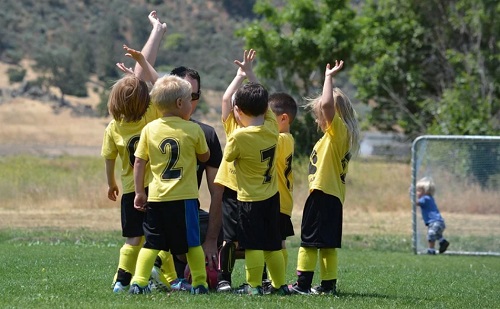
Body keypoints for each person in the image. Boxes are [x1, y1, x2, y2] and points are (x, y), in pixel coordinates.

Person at [133, 12, 223, 286]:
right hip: (179, 202)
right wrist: (156, 34)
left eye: (196, 96)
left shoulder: (165, 127)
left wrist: (211, 240)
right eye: (188, 96)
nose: (192, 102)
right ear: (179, 101)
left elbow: (217, 192)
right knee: (180, 239)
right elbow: (140, 80)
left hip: (161, 201)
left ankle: (141, 278)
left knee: (206, 230)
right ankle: (187, 277)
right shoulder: (184, 129)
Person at [125, 47, 210, 294]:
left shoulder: (150, 130)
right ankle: (200, 283)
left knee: (151, 244)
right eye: (190, 100)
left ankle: (138, 283)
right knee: (192, 243)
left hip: (157, 198)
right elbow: (204, 156)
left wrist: (140, 192)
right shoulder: (193, 130)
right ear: (181, 103)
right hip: (184, 199)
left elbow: (139, 162)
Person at [216, 49, 288, 296]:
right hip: (271, 196)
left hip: (249, 199)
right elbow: (264, 106)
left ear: (238, 110)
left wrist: (243, 76)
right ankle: (279, 286)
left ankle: (253, 286)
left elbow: (228, 157)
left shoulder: (237, 135)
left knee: (253, 245)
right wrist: (248, 75)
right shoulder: (271, 127)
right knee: (272, 245)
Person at [289, 59, 361, 296]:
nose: (319, 118)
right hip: (332, 197)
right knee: (327, 244)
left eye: (320, 113)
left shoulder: (337, 132)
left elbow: (329, 105)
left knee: (308, 242)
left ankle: (301, 285)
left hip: (322, 195)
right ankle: (328, 286)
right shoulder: (335, 137)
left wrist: (328, 77)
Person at [101, 72, 160, 293]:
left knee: (133, 237)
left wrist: (111, 184)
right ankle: (154, 274)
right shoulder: (150, 115)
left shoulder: (113, 128)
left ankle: (121, 280)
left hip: (129, 191)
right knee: (159, 234)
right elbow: (161, 88)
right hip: (154, 187)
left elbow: (109, 159)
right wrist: (144, 65)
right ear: (146, 101)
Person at [416, 177, 450, 255]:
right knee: (437, 235)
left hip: (435, 222)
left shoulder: (425, 198)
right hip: (439, 222)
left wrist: (411, 195)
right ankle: (443, 242)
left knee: (431, 234)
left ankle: (431, 250)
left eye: (418, 191)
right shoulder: (429, 198)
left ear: (425, 191)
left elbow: (416, 203)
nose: (417, 193)